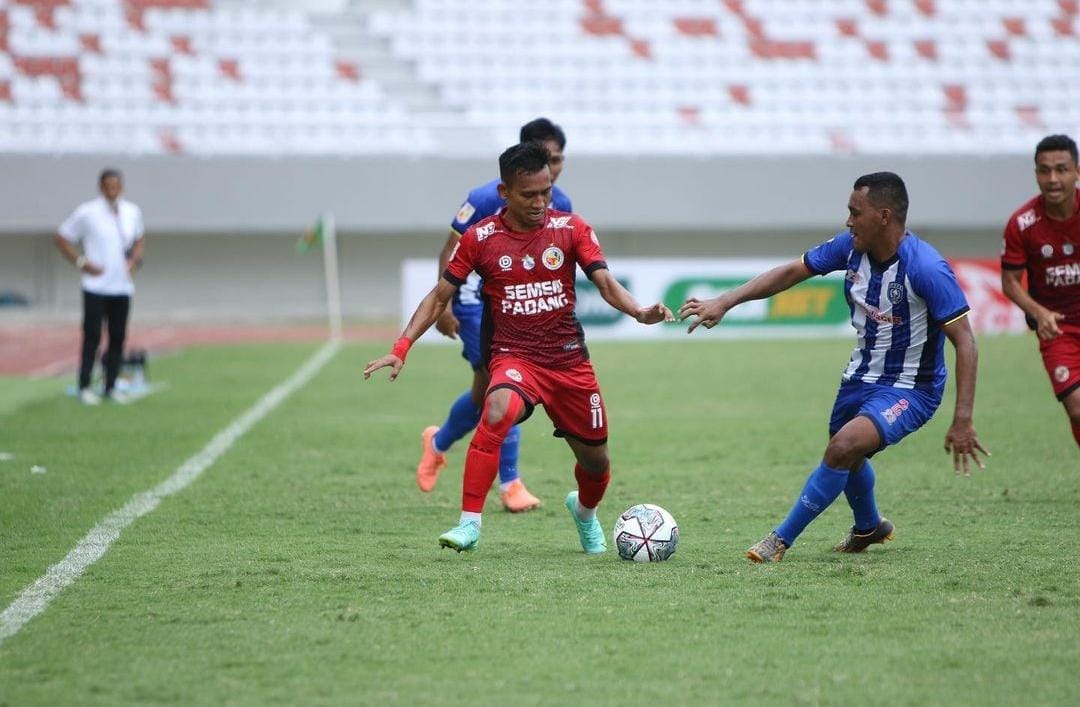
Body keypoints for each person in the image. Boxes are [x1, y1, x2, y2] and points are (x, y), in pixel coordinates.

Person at [365, 141, 673, 553]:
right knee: (496, 410)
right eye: (529, 194)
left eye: (546, 192)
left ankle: (584, 513)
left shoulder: (572, 228)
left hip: (568, 361)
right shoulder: (480, 238)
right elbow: (439, 296)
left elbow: (605, 282)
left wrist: (639, 311)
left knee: (596, 464)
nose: (541, 202)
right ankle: (469, 524)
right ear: (504, 192)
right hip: (515, 358)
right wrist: (401, 347)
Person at [679, 172, 988, 563]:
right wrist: (726, 301)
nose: (848, 221)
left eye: (855, 212)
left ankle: (779, 541)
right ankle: (869, 526)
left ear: (884, 216)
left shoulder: (926, 268)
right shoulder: (850, 248)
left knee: (844, 447)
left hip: (911, 388)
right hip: (859, 377)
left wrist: (963, 419)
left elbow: (966, 342)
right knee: (845, 453)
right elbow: (791, 272)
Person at [416, 118, 572, 512]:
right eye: (545, 158)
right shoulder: (485, 198)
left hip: (516, 306)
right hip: (473, 301)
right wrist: (443, 305)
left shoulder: (562, 204)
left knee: (481, 391)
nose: (552, 167)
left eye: (556, 159)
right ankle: (511, 484)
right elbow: (450, 251)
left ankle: (437, 443)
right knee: (506, 382)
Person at [1000, 134, 1080, 447]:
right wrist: (1039, 312)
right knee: (1077, 409)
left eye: (1061, 169)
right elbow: (1010, 282)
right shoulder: (1022, 223)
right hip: (1057, 329)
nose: (1053, 179)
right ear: (1036, 174)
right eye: (1045, 171)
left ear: (1076, 171)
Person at [53, 168, 145, 405]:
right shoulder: (87, 212)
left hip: (122, 287)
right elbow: (62, 237)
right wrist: (81, 262)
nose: (112, 190)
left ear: (122, 187)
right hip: (95, 287)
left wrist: (134, 261)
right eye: (108, 186)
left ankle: (110, 386)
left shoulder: (131, 212)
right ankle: (84, 386)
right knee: (92, 336)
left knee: (118, 338)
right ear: (101, 188)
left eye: (116, 186)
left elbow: (139, 238)